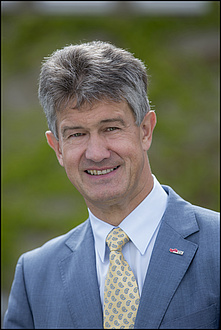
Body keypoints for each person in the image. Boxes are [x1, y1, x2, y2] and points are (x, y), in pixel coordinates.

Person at [3, 41, 219, 329]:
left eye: (111, 128)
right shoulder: (36, 275)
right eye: (77, 134)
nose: (96, 153)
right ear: (57, 148)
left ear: (145, 130)